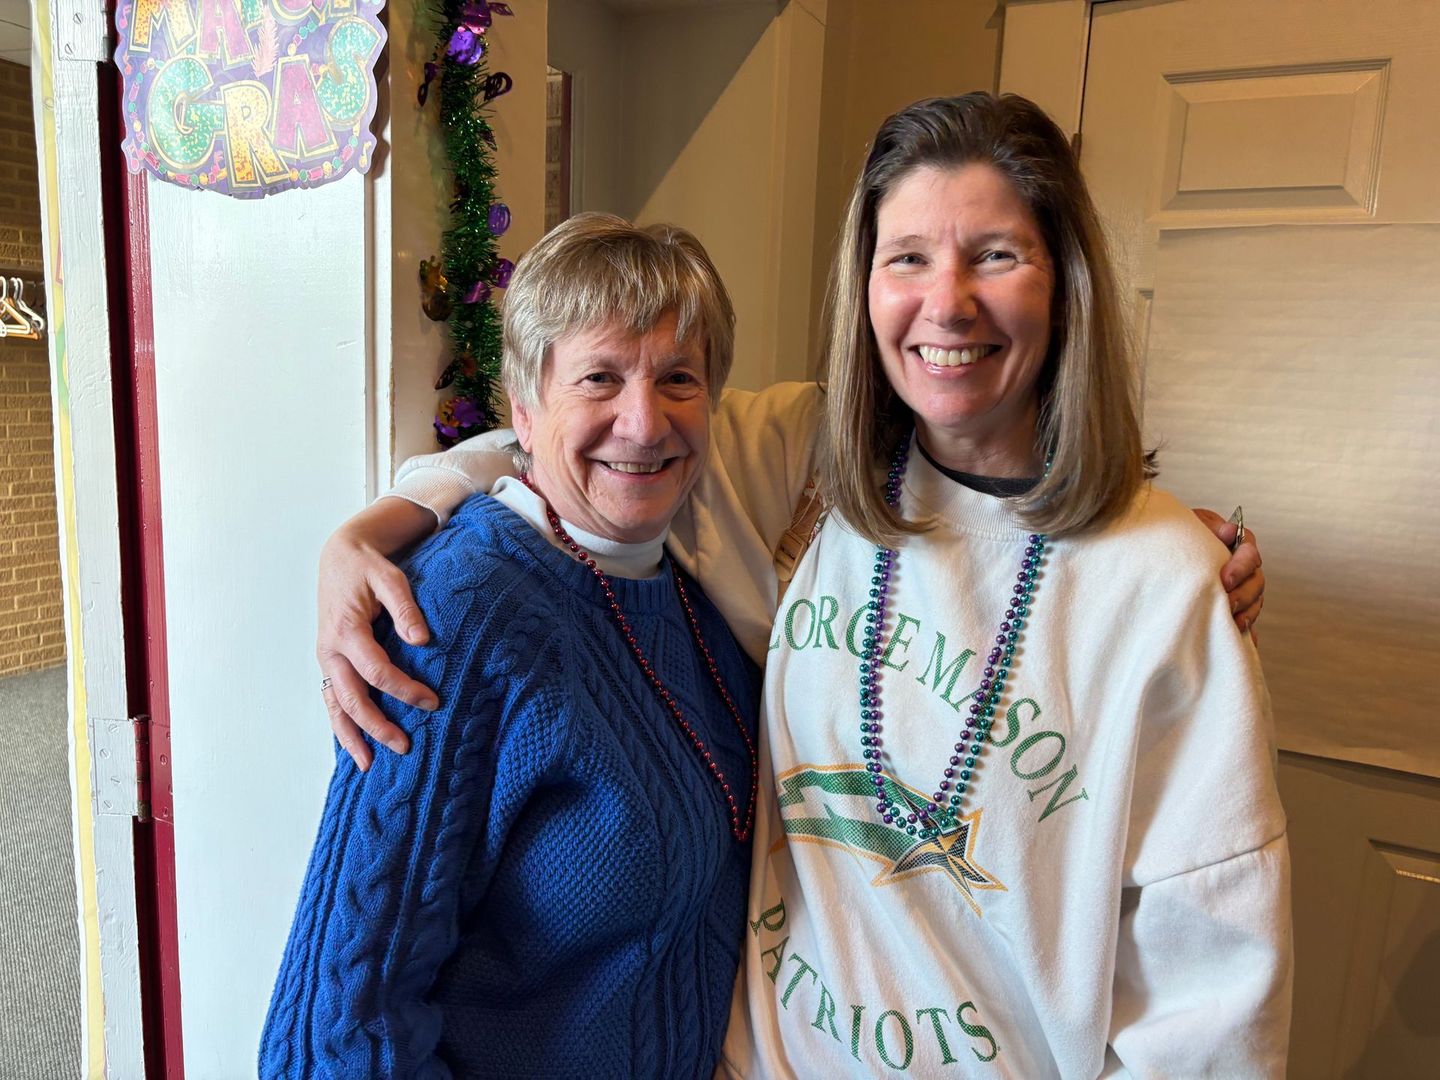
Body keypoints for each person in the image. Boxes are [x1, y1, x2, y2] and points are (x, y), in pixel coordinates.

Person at [314, 94, 1286, 1076]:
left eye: (996, 254)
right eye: (907, 257)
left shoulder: (1163, 580)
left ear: (1066, 284)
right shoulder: (813, 465)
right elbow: (583, 440)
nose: (947, 303)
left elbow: (1211, 1004)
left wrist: (1161, 541)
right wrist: (375, 530)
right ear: (865, 287)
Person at [259, 214, 761, 1078]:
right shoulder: (457, 614)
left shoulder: (696, 581)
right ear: (524, 411)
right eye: (599, 378)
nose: (644, 423)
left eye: (678, 378)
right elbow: (336, 1034)